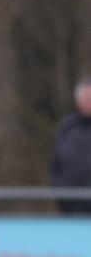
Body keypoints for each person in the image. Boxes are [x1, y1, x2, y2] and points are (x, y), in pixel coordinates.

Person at [50, 77, 91, 213]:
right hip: (72, 206)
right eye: (86, 98)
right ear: (78, 101)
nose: (88, 102)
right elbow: (55, 164)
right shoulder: (67, 128)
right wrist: (60, 193)